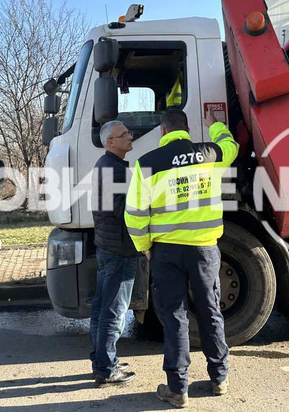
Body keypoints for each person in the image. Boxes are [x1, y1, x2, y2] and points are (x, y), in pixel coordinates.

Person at [125, 108, 239, 407]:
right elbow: (232, 146)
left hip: (166, 251)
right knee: (210, 311)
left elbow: (135, 213)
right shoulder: (211, 153)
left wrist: (145, 246)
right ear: (186, 130)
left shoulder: (147, 163)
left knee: (174, 317)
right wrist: (216, 126)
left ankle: (178, 388)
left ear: (163, 132)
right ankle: (219, 379)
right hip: (204, 249)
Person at [89, 120, 139, 385]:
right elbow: (124, 211)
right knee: (114, 311)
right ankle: (107, 369)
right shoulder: (114, 169)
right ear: (110, 142)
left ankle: (101, 361)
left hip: (107, 246)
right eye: (124, 134)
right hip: (120, 249)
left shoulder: (106, 165)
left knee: (101, 308)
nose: (131, 136)